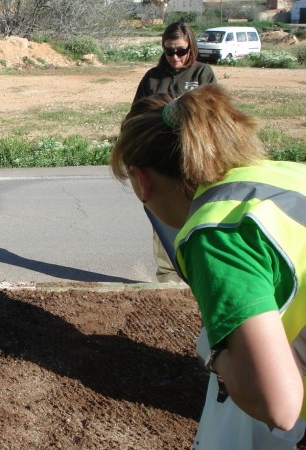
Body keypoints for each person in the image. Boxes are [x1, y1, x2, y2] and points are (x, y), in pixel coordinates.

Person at [110, 83, 306, 449]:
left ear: (141, 181)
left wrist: (215, 356)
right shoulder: (286, 176)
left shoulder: (216, 230)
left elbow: (278, 405)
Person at [133, 21, 218, 284]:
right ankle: (169, 277)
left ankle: (202, 272)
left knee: (201, 215)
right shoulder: (152, 77)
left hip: (194, 158)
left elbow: (216, 114)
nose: (175, 57)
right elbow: (135, 116)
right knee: (164, 218)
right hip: (160, 160)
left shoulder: (203, 74)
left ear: (190, 46)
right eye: (170, 51)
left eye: (180, 51)